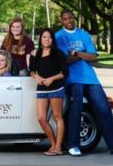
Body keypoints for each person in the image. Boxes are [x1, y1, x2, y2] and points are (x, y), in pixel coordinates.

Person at [55, 9, 113, 156]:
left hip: (90, 78)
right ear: (61, 21)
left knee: (103, 108)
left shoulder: (83, 34)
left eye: (71, 18)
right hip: (72, 79)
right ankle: (73, 145)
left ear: (74, 18)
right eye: (65, 19)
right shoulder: (59, 37)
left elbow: (94, 57)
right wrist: (83, 54)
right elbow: (64, 61)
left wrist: (76, 53)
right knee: (76, 107)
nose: (69, 21)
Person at [29, 28, 68, 156]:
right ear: (40, 38)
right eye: (44, 37)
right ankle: (53, 144)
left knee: (57, 116)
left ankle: (58, 148)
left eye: (49, 37)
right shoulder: (36, 53)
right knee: (41, 118)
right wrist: (37, 77)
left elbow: (65, 73)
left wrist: (52, 78)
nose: (47, 40)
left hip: (56, 88)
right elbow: (32, 70)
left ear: (53, 39)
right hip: (42, 88)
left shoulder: (58, 53)